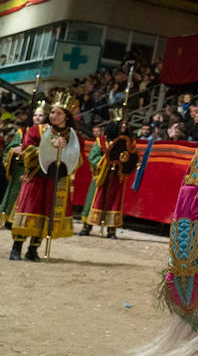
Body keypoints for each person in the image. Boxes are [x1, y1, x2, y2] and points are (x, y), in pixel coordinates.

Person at [10, 94, 82, 261]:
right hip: (35, 177)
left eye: (58, 113)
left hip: (56, 179)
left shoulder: (74, 136)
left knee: (47, 214)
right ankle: (16, 248)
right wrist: (50, 146)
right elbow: (27, 150)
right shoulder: (37, 131)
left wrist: (66, 151)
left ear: (66, 116)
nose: (53, 116)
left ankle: (33, 249)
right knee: (29, 210)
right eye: (52, 112)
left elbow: (78, 159)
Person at [79, 117, 140, 238]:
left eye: (125, 124)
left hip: (117, 177)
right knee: (94, 200)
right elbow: (93, 157)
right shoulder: (101, 142)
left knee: (114, 201)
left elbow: (131, 159)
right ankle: (87, 226)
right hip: (101, 177)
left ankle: (111, 230)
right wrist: (106, 161)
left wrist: (123, 163)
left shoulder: (129, 144)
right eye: (121, 124)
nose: (124, 126)